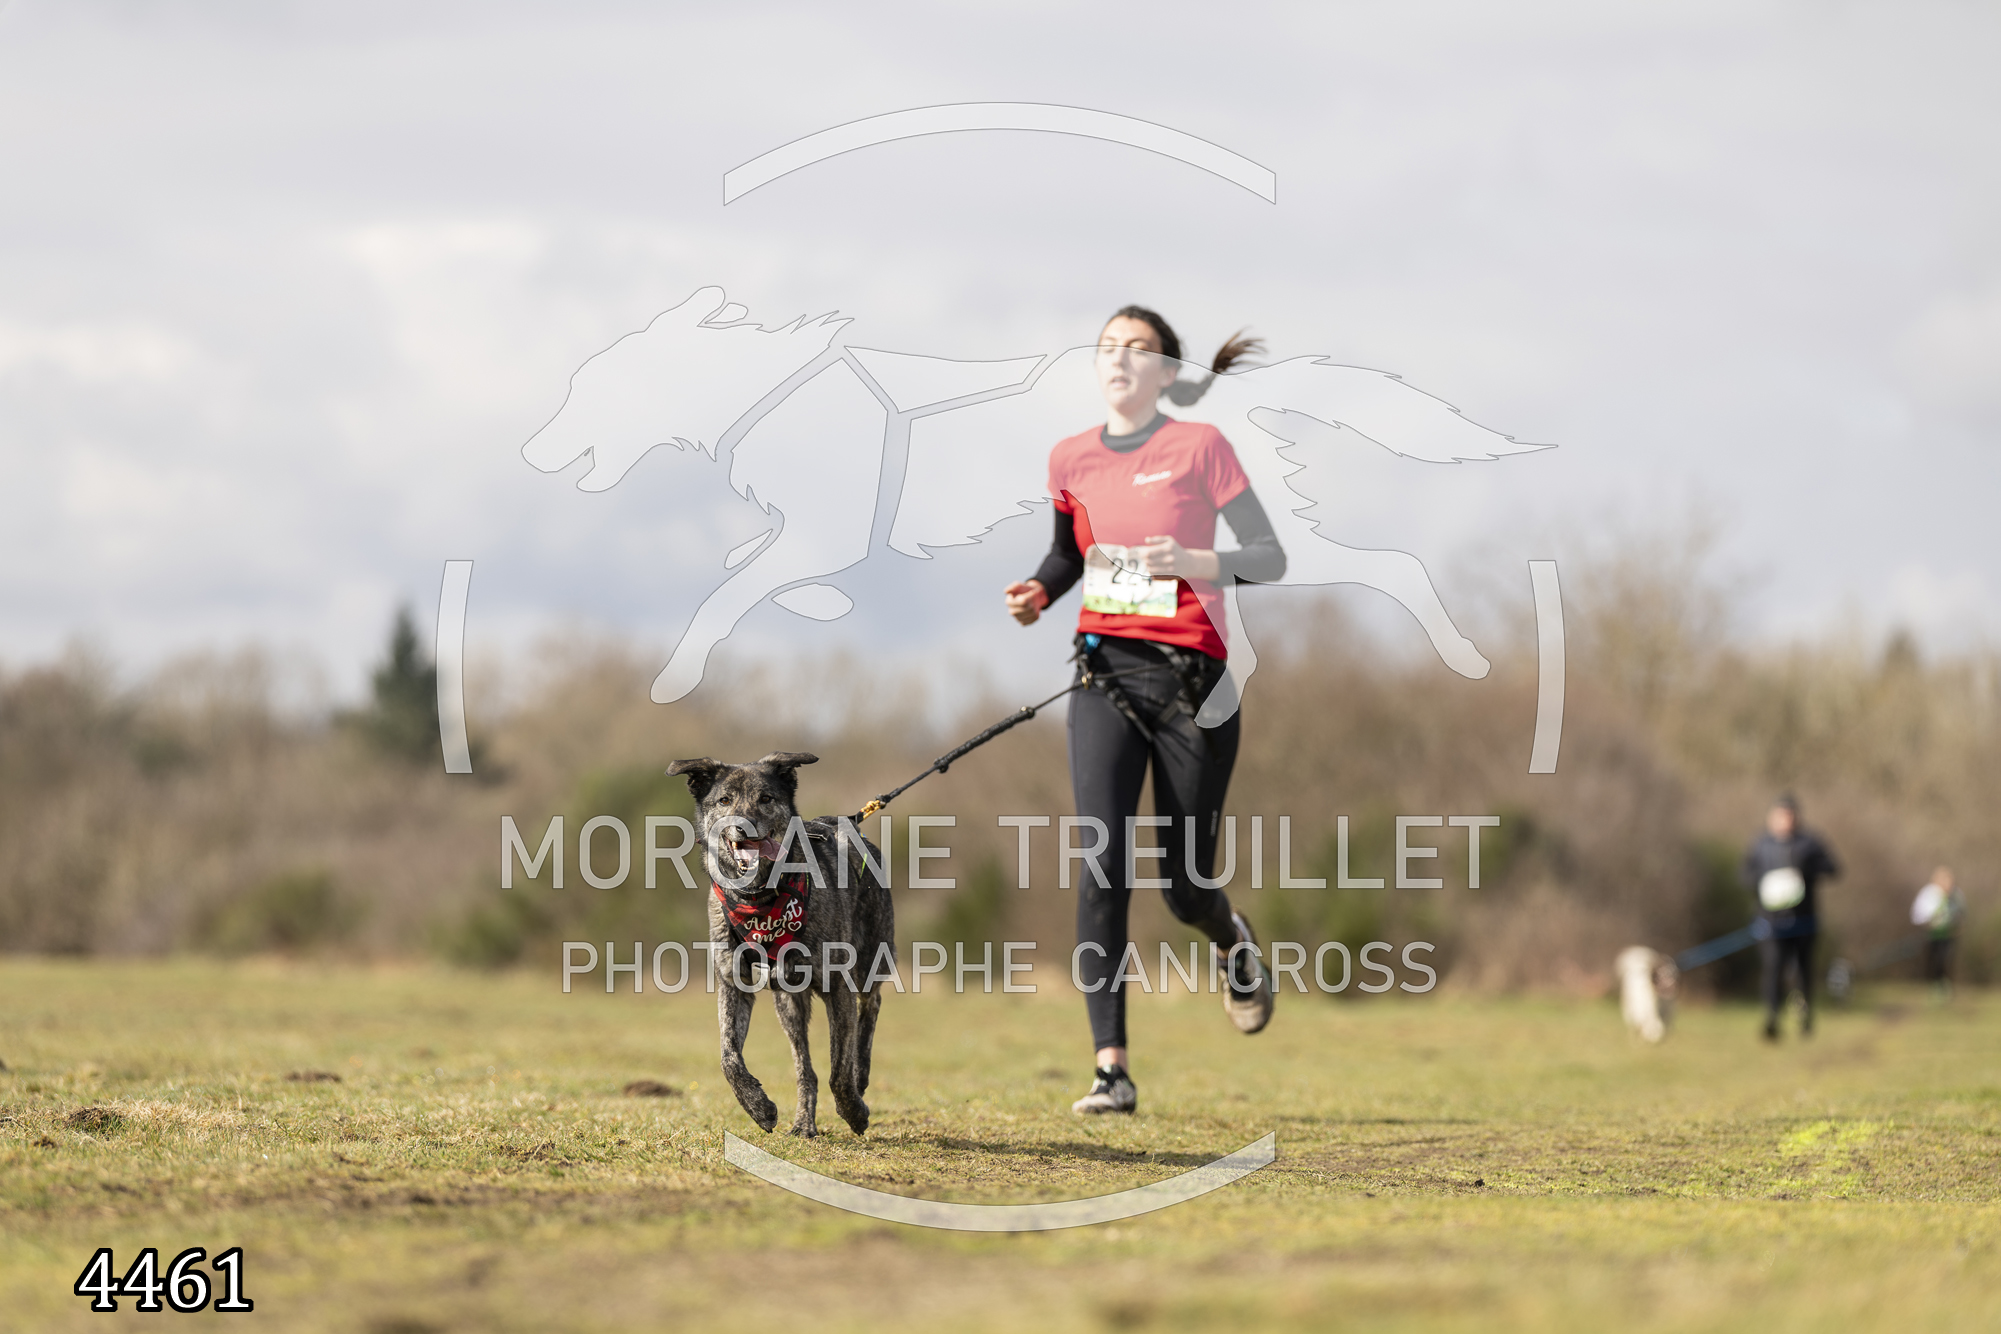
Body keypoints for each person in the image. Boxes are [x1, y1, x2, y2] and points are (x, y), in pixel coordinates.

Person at [1001, 305, 1287, 1116]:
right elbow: (1066, 555)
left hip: (1194, 685)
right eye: (1107, 347)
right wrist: (1037, 593)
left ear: (1165, 371)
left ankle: (1231, 940)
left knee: (1184, 888)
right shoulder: (1070, 457)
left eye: (1137, 348)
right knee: (1101, 864)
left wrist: (1193, 560)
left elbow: (1267, 556)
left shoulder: (1200, 448)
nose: (1119, 357)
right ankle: (1110, 1069)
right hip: (1104, 678)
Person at [1740, 793, 1840, 1041]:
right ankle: (1772, 1018)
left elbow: (1833, 868)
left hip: (1804, 922)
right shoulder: (1760, 844)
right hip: (1770, 924)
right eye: (1781, 816)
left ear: (1797, 818)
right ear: (1772, 818)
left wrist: (1805, 872)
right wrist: (1765, 883)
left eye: (1790, 816)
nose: (1785, 821)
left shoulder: (1810, 843)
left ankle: (1805, 1017)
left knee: (1803, 971)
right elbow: (1744, 874)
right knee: (1773, 968)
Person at [1911, 866, 1964, 998]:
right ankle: (1935, 986)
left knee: (1946, 960)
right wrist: (1930, 920)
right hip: (1932, 935)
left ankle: (1945, 987)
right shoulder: (1928, 894)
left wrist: (1957, 924)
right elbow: (1917, 915)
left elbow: (1962, 913)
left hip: (1948, 935)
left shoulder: (1956, 895)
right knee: (1934, 961)